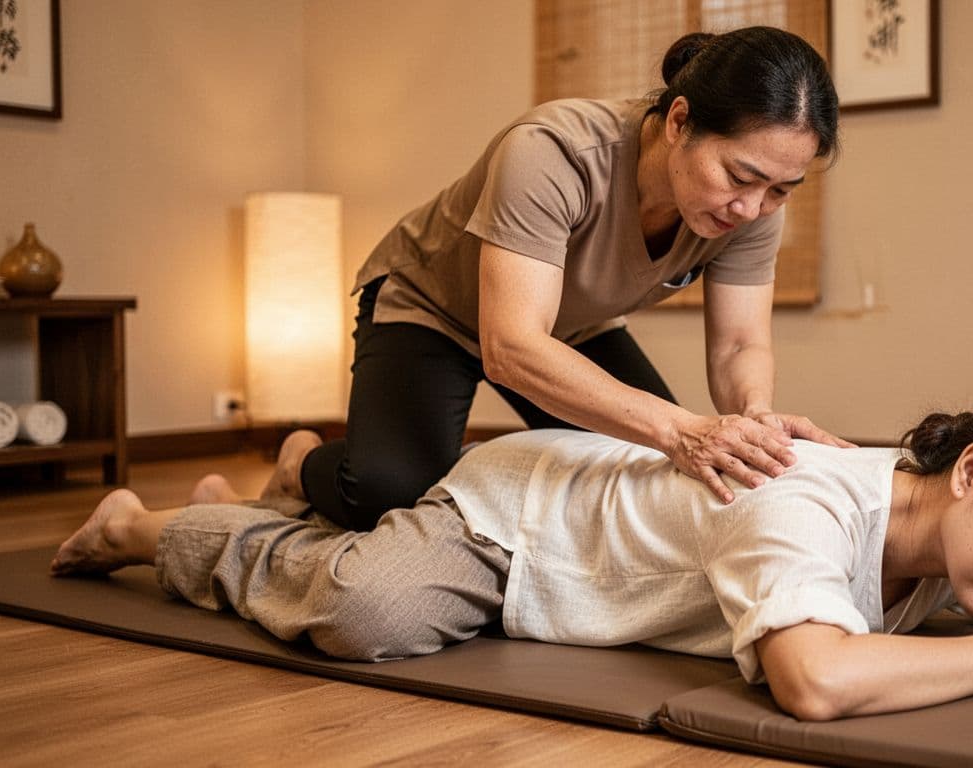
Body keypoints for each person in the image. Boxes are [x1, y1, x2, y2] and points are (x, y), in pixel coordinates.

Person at [54, 384, 973, 720]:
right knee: (373, 617)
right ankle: (157, 524)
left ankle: (294, 485)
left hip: (601, 543)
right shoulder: (802, 505)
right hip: (520, 523)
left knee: (350, 574)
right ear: (972, 469)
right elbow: (814, 682)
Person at [246, 26, 851, 532]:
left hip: (569, 324)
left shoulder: (752, 210)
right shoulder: (553, 152)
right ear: (679, 121)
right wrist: (681, 428)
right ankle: (299, 461)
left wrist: (755, 415)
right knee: (386, 494)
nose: (751, 206)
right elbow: (511, 348)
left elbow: (741, 344)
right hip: (433, 306)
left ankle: (455, 458)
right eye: (739, 176)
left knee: (657, 472)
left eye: (779, 189)